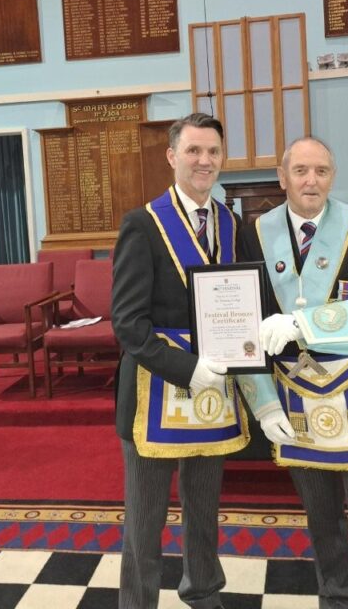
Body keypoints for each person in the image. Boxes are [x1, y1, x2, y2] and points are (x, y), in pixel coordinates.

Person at [235, 136, 348, 609]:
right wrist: (263, 402)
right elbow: (245, 320)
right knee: (323, 524)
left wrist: (302, 324)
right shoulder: (254, 234)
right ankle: (337, 600)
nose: (311, 181)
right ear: (282, 177)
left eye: (321, 171)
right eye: (300, 171)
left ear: (332, 177)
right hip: (293, 398)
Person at [111, 112, 247, 609]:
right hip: (154, 392)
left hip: (215, 391)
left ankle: (203, 592)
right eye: (193, 150)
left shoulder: (231, 223)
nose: (204, 161)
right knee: (145, 520)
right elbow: (128, 323)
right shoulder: (142, 224)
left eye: (213, 151)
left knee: (204, 508)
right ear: (172, 156)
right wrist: (188, 369)